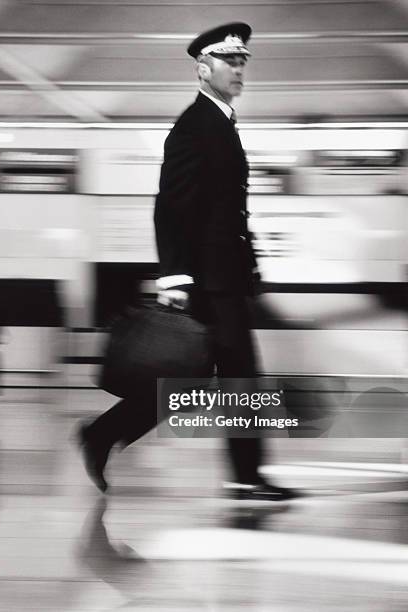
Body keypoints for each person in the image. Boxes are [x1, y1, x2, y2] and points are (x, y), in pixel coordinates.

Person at [78, 22, 295, 502]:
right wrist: (174, 276)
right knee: (232, 380)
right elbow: (171, 207)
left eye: (242, 62)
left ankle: (102, 434)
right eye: (229, 61)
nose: (239, 69)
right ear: (203, 68)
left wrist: (249, 262)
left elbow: (227, 208)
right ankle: (245, 477)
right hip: (205, 282)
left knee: (196, 383)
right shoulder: (193, 127)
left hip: (225, 279)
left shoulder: (220, 124)